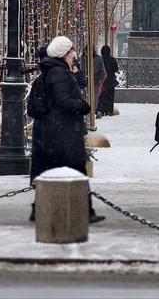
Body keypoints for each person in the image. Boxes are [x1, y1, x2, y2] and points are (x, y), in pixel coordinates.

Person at [27, 36, 103, 224]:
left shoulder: (53, 71)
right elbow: (62, 100)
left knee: (51, 170)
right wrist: (82, 106)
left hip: (57, 130)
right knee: (75, 170)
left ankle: (42, 209)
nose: (73, 55)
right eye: (71, 51)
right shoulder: (58, 73)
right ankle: (83, 211)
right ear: (63, 54)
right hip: (63, 131)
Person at [97, 45, 119, 117]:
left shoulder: (100, 59)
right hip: (110, 80)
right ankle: (109, 110)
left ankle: (102, 110)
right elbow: (116, 69)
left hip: (102, 80)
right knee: (110, 96)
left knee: (102, 96)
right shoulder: (112, 59)